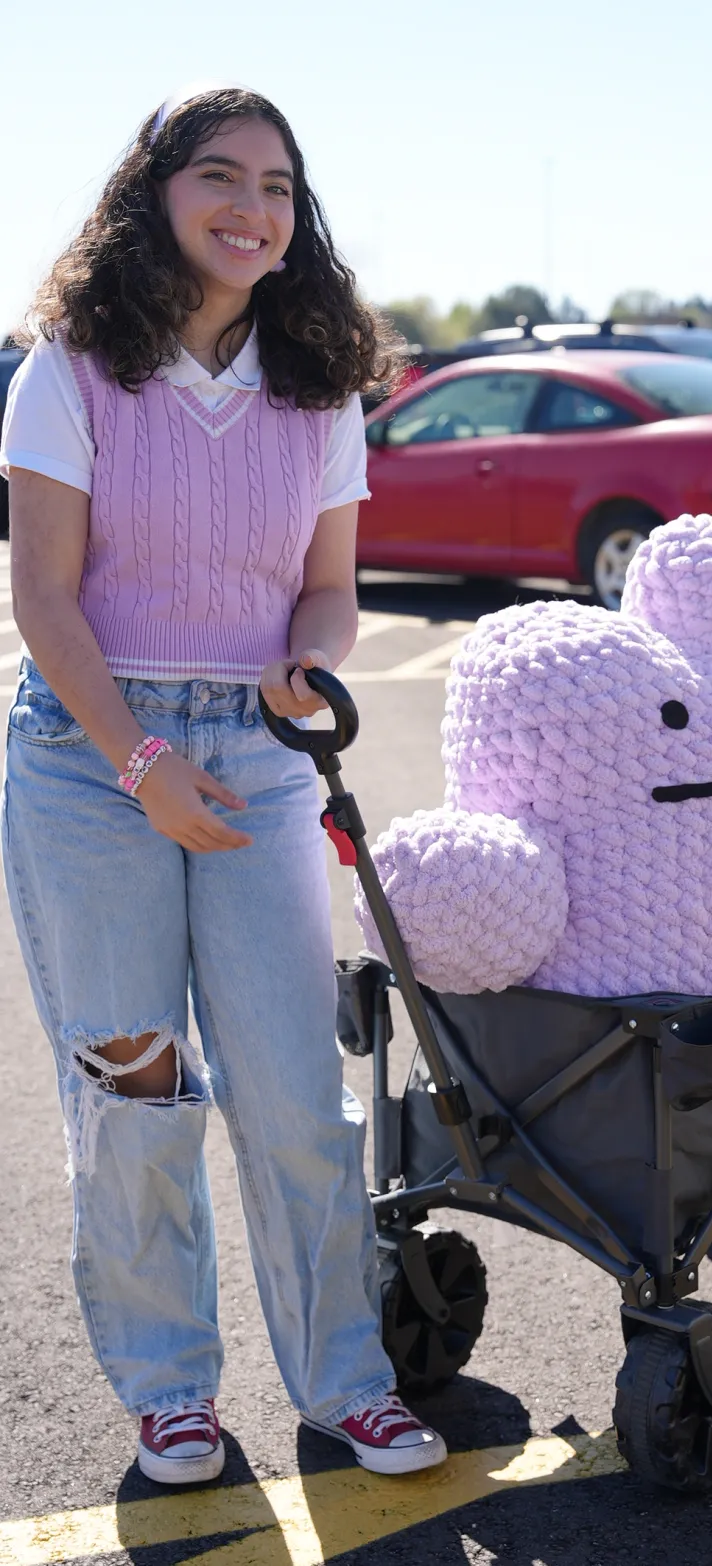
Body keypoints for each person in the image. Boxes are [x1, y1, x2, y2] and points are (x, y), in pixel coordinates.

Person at [0, 85, 447, 1486]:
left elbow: (328, 593)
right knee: (136, 1088)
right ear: (155, 195)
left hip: (255, 762)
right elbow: (44, 600)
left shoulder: (317, 382)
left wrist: (307, 669)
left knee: (294, 1097)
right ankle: (171, 1393)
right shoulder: (66, 367)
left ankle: (345, 1384)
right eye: (219, 175)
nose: (253, 206)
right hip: (92, 755)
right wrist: (143, 766)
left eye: (278, 184)